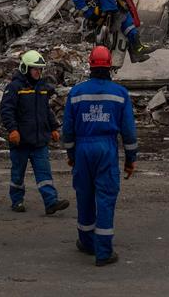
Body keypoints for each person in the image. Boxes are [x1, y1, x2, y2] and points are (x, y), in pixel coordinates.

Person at [62, 46, 138, 266]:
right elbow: (129, 131)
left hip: (84, 148)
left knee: (84, 195)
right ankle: (103, 252)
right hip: (106, 148)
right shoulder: (120, 94)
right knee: (105, 198)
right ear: (109, 66)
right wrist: (131, 159)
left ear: (90, 66)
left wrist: (71, 153)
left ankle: (87, 242)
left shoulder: (76, 93)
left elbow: (68, 129)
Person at [0, 50, 70, 215]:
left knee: (44, 172)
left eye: (40, 69)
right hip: (21, 142)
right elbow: (6, 111)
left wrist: (53, 127)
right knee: (18, 174)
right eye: (35, 69)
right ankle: (17, 201)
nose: (38, 72)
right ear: (25, 68)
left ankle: (51, 202)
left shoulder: (42, 88)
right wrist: (13, 130)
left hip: (39, 141)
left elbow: (45, 110)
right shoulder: (15, 87)